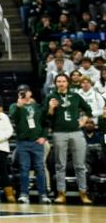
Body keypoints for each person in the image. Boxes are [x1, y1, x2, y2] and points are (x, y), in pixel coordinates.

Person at [44, 73, 93, 204]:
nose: (61, 83)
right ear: (55, 84)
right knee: (60, 165)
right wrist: (50, 108)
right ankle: (61, 193)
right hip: (59, 133)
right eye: (58, 81)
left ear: (68, 83)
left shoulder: (76, 96)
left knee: (80, 165)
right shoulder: (51, 97)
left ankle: (83, 193)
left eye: (63, 81)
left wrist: (83, 120)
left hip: (77, 132)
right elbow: (45, 118)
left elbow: (88, 110)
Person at [8, 85, 50, 204]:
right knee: (24, 168)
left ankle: (43, 194)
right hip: (23, 142)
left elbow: (45, 123)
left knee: (40, 168)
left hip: (37, 142)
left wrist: (44, 137)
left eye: (25, 92)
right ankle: (24, 194)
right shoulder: (14, 106)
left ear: (30, 93)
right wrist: (19, 106)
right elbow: (13, 117)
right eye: (20, 92)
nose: (23, 94)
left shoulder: (38, 107)